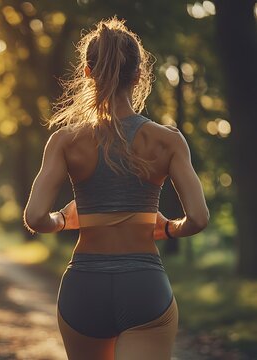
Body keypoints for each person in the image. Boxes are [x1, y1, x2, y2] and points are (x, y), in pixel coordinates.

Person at [23, 16, 210, 360]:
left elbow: (35, 217)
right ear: (138, 75)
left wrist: (62, 221)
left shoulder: (65, 141)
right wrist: (168, 229)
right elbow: (197, 218)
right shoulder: (166, 140)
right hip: (144, 286)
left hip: (84, 287)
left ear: (87, 72)